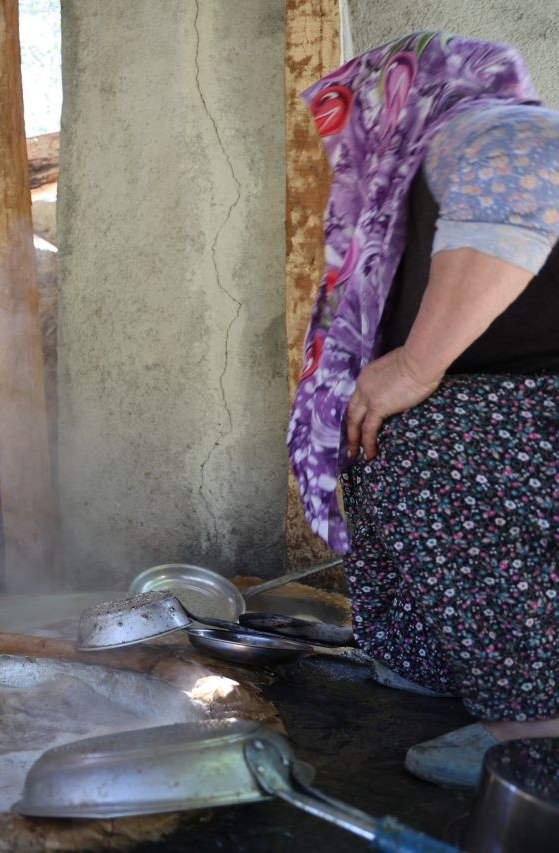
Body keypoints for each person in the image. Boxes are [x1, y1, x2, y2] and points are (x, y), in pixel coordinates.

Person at [289, 33, 559, 787]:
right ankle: (429, 658)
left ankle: (536, 721)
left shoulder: (488, 128)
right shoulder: (428, 173)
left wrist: (415, 364)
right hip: (527, 408)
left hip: (534, 418)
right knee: (373, 422)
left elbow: (531, 179)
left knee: (418, 436)